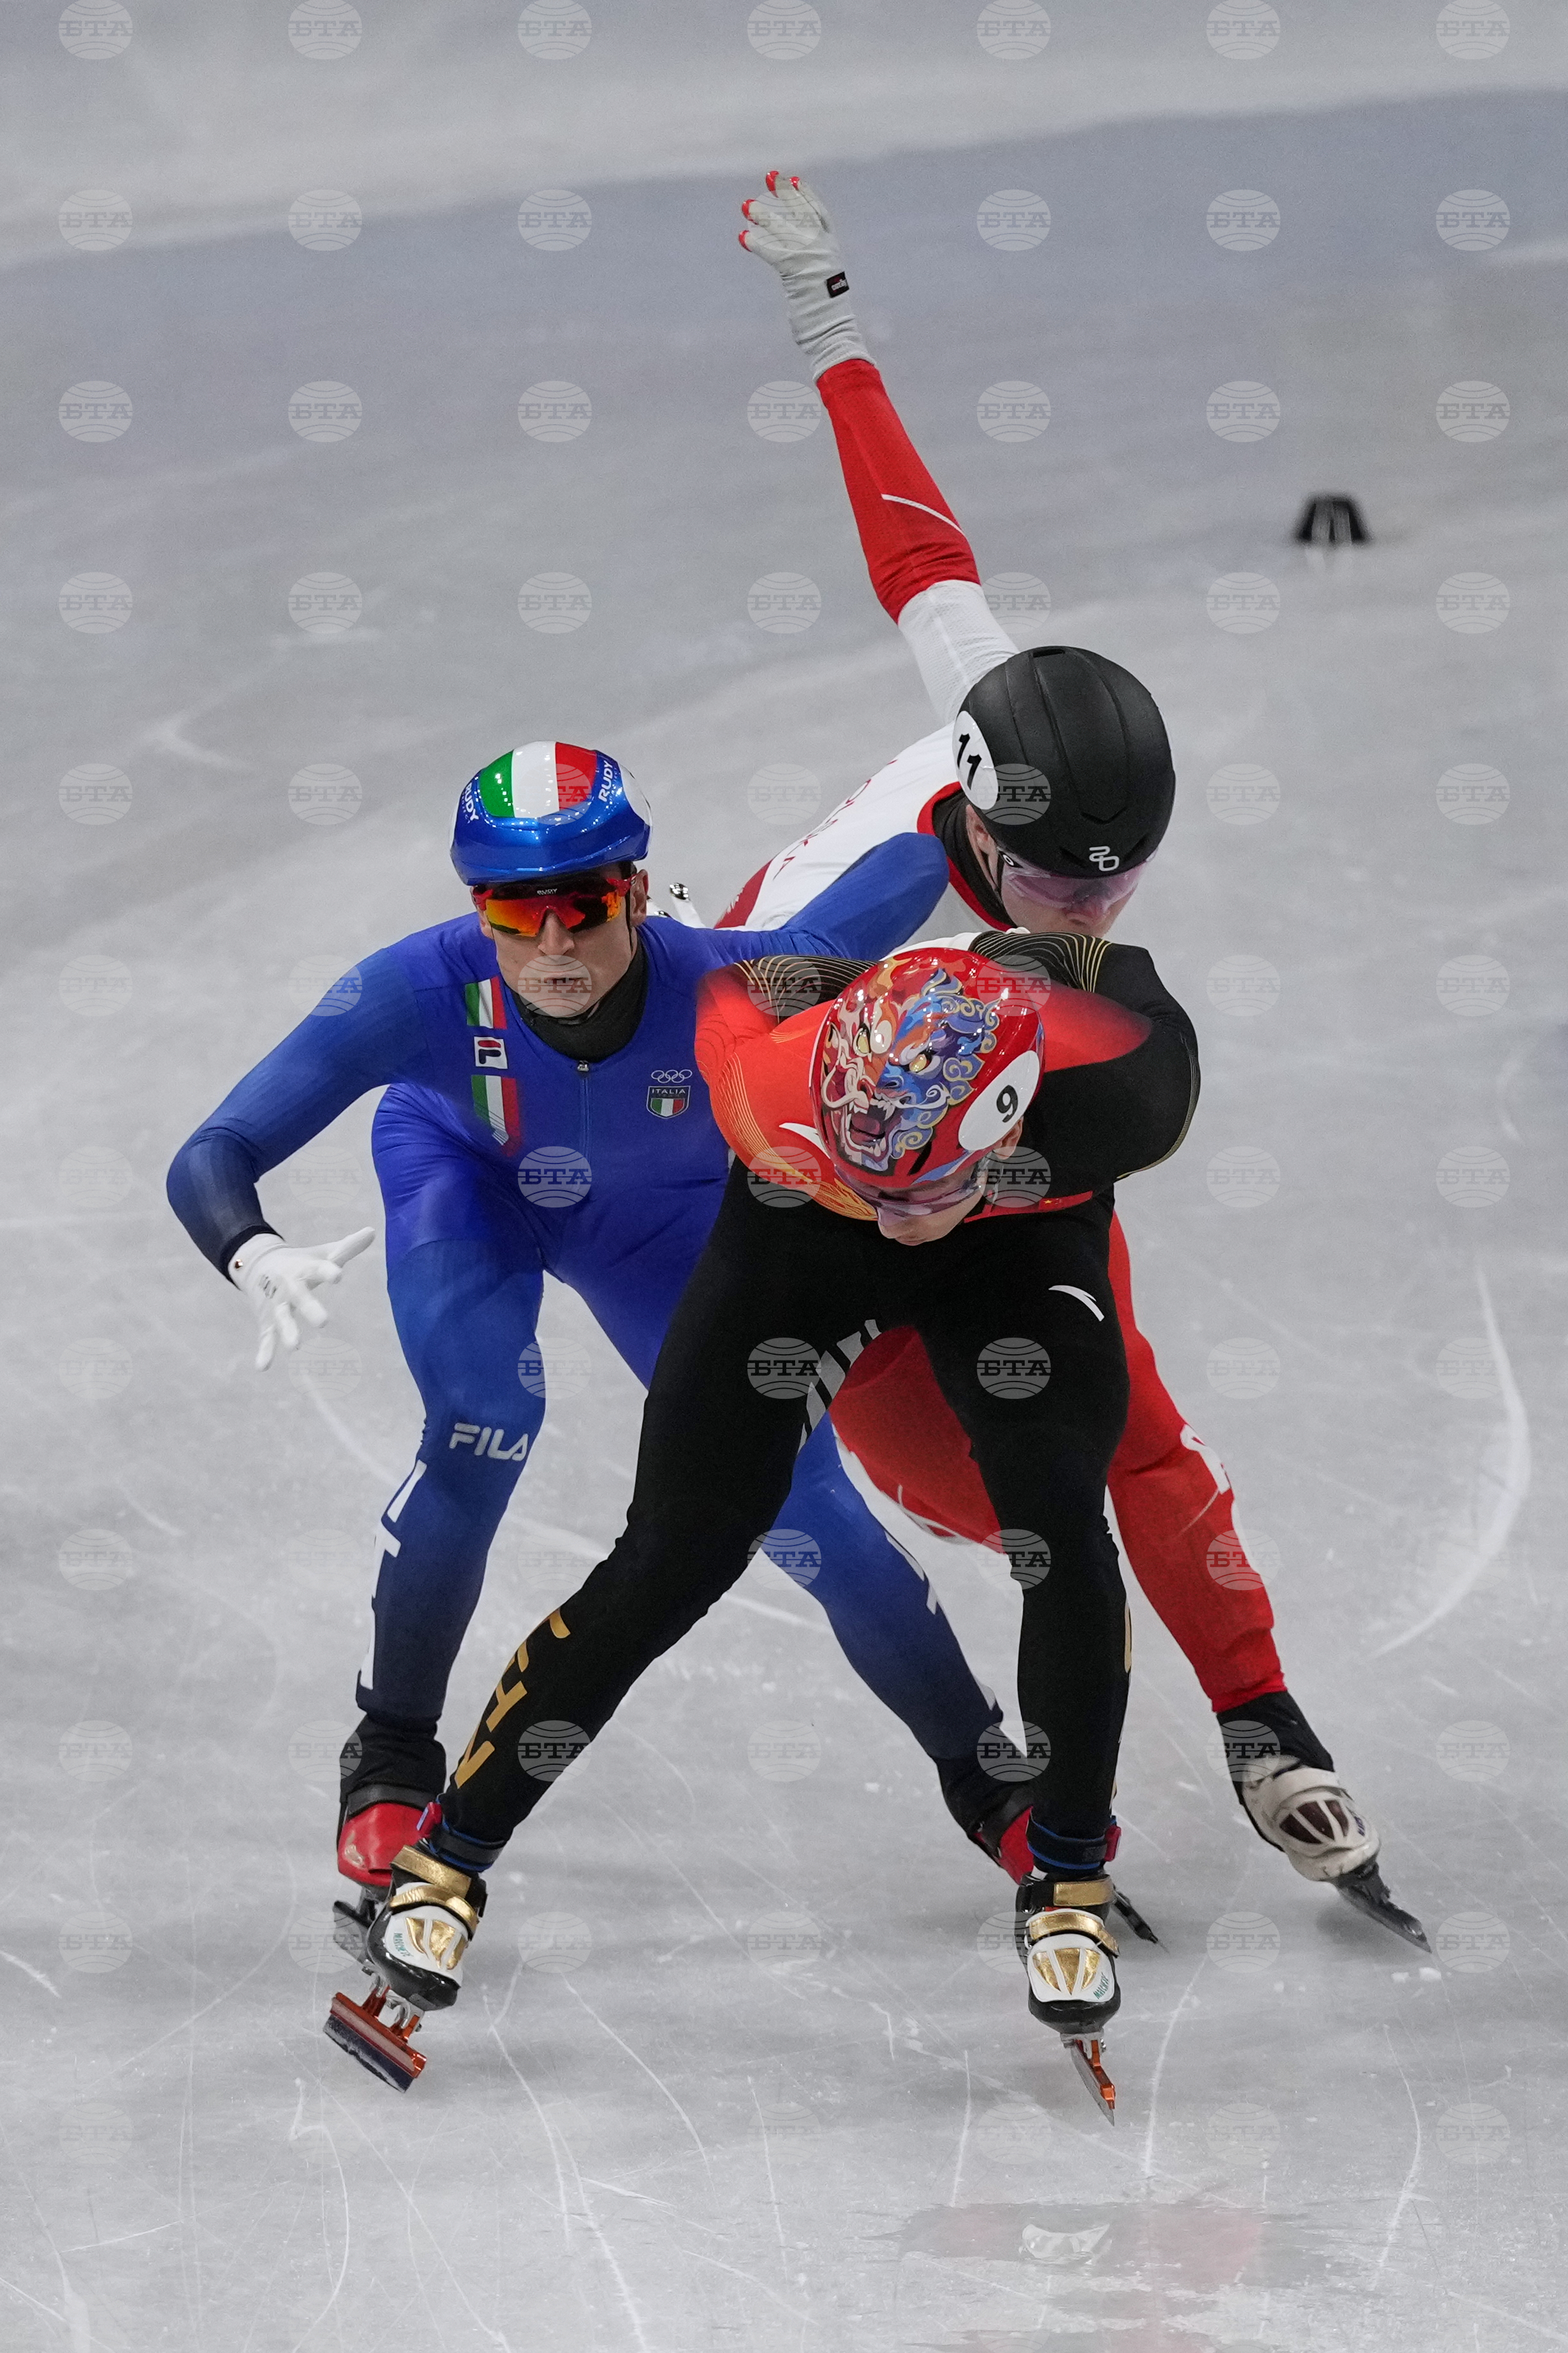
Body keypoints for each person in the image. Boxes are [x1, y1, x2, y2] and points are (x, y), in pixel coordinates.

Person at [725, 173, 1423, 1946]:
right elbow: (714, 1051)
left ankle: (1264, 1719)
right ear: (970, 820)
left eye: (1116, 879)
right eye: (1053, 878)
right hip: (814, 1095)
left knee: (1134, 1419)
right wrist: (828, 1175)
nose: (1087, 907)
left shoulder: (1016, 730)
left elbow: (915, 545)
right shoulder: (850, 923)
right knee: (983, 1485)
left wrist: (826, 315)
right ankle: (1040, 1701)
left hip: (981, 1098)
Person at [166, 738, 1032, 1950]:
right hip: (466, 1181)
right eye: (518, 910)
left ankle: (988, 1781)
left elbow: (885, 890)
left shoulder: (741, 978)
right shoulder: (414, 990)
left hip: (650, 1227)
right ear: (480, 909)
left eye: (584, 904)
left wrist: (984, 803)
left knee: (801, 1502)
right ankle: (395, 1747)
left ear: (635, 887)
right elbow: (214, 1152)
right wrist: (250, 1246)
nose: (554, 942)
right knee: (483, 1421)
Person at [337, 931, 1199, 2113]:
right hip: (803, 1210)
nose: (897, 1216)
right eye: (876, 1179)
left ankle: (1069, 1878)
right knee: (676, 1549)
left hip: (1016, 1237)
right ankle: (450, 1855)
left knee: (1055, 1520)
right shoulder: (761, 1072)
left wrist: (958, 1153)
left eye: (919, 1188)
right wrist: (870, 1179)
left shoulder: (1123, 1098)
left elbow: (1117, 968)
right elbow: (744, 971)